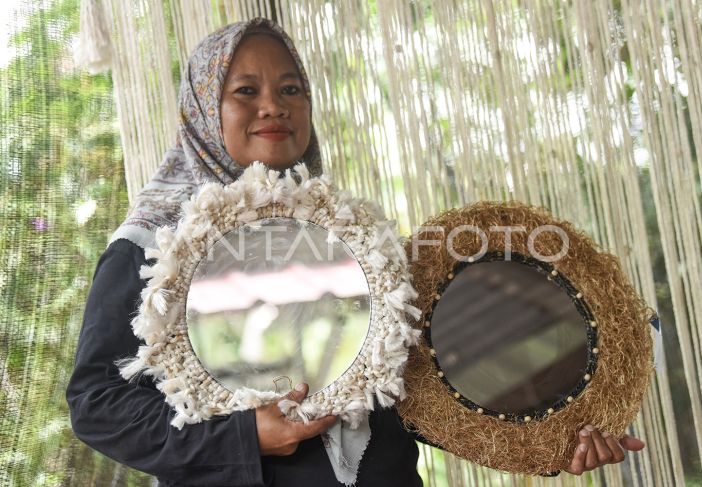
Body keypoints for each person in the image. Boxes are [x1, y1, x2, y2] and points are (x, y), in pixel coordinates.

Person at [66, 17, 645, 487]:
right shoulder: (150, 247)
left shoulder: (357, 239)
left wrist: (553, 442)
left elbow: (418, 395)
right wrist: (244, 436)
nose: (274, 106)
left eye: (290, 89)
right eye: (246, 91)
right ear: (201, 114)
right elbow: (97, 403)